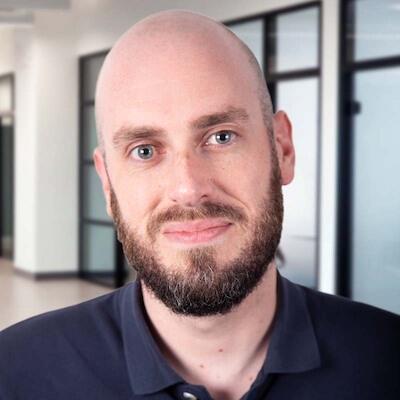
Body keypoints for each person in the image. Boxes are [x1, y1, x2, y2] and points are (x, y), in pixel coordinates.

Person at [0, 10, 399, 400]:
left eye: (221, 137)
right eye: (144, 150)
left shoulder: (388, 361)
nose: (188, 188)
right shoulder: (15, 374)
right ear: (107, 182)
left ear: (283, 149)